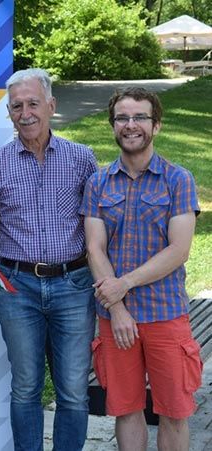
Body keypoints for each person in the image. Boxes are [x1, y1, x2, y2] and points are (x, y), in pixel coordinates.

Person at [0, 68, 98, 451]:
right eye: (17, 106)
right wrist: (18, 261)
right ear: (9, 113)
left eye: (33, 103)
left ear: (51, 105)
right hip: (18, 288)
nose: (25, 113)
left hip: (74, 285)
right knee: (26, 386)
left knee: (74, 389)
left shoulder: (82, 158)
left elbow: (93, 222)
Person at [81, 87, 201, 451]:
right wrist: (116, 307)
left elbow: (179, 249)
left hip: (165, 313)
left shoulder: (178, 179)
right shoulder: (97, 183)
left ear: (156, 125)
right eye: (122, 118)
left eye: (139, 117)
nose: (130, 125)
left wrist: (124, 284)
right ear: (113, 125)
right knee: (126, 408)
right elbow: (94, 248)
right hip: (115, 318)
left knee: (174, 411)